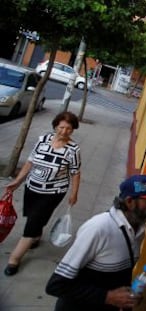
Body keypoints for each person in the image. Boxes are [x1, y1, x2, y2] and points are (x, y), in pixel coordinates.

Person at [46, 174, 146, 311]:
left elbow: (117, 277)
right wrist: (108, 297)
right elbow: (56, 285)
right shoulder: (98, 228)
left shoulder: (139, 230)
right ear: (129, 201)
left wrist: (129, 297)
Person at [4, 111, 81, 276]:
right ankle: (37, 235)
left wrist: (74, 193)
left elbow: (75, 172)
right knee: (32, 215)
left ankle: (15, 258)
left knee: (32, 223)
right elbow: (30, 162)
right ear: (55, 126)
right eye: (61, 127)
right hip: (32, 187)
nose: (64, 131)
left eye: (69, 128)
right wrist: (18, 181)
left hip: (53, 192)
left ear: (73, 130)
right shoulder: (43, 140)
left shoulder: (73, 150)